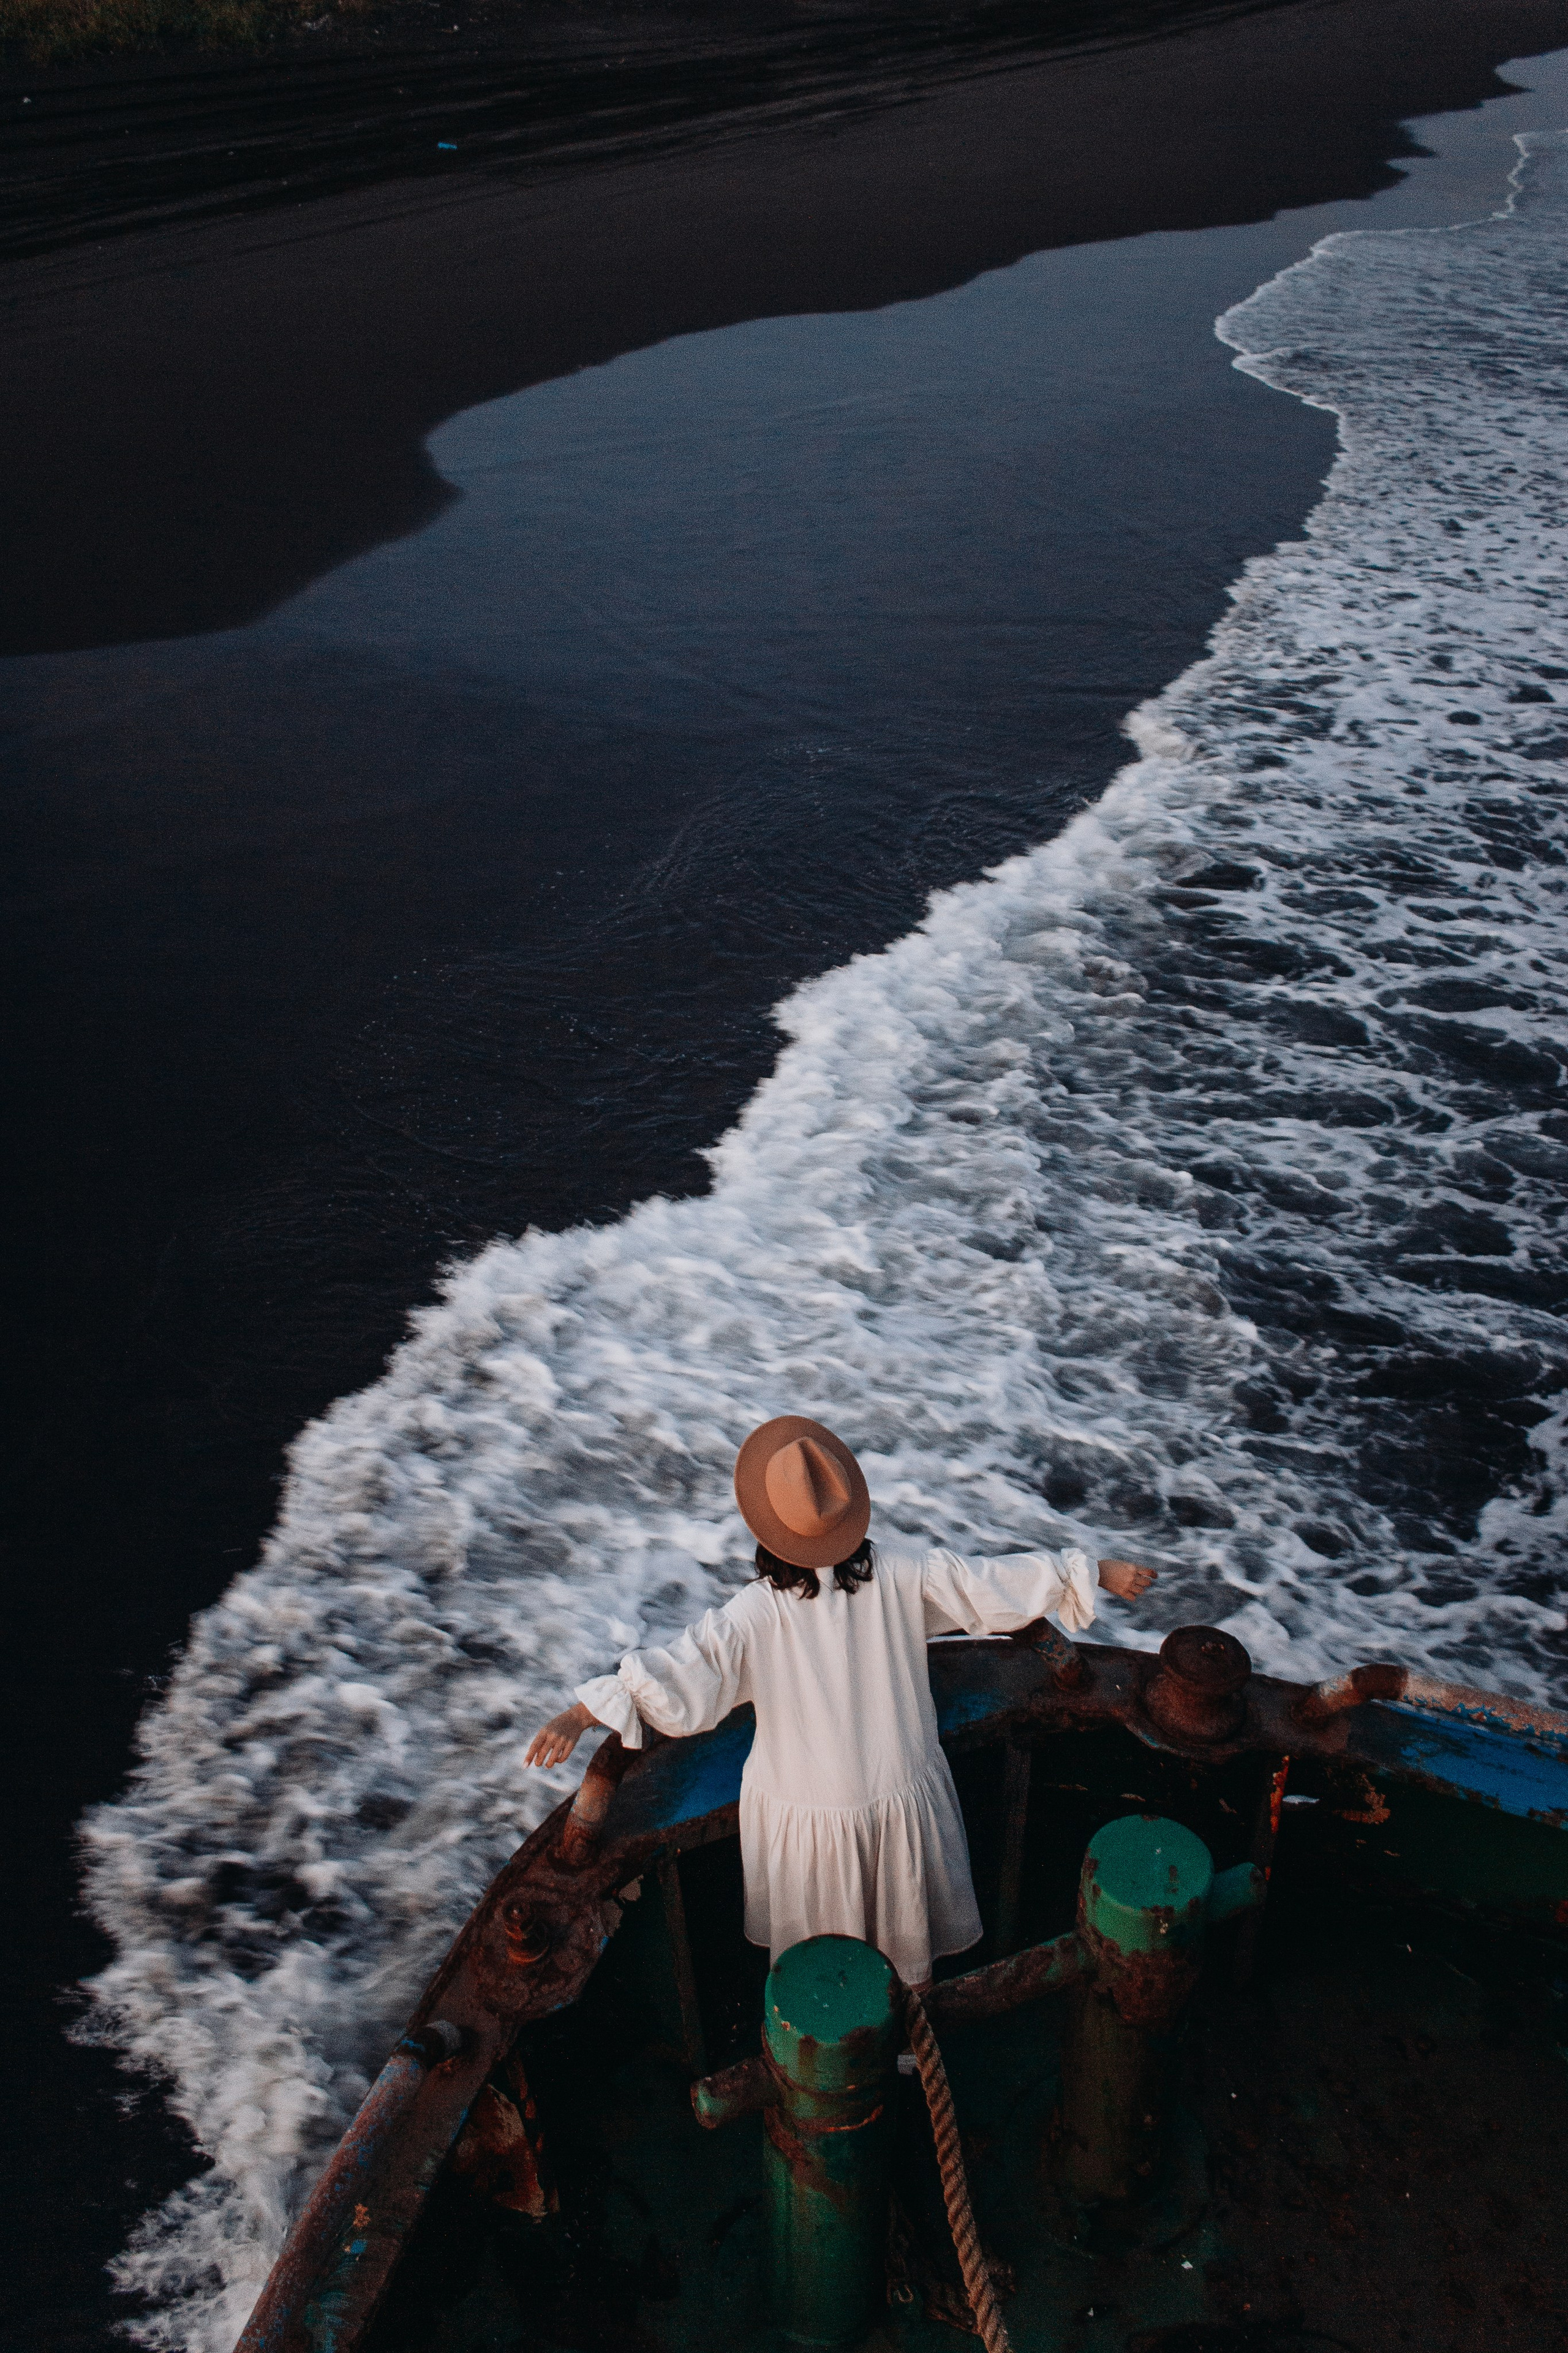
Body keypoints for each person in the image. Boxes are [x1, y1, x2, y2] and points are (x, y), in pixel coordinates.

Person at [524, 1414, 1157, 1987]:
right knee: (907, 1945)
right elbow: (989, 1583)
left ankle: (834, 2042)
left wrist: (581, 1714)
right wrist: (1092, 1571)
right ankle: (912, 2041)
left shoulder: (753, 1614)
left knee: (819, 1960)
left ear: (768, 1532)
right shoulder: (902, 1574)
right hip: (900, 1790)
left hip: (807, 1809)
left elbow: (679, 1673)